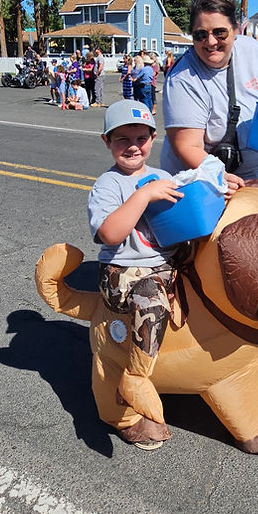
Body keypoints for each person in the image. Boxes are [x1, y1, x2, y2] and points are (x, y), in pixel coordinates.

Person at [87, 100, 184, 449]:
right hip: (124, 272)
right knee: (151, 300)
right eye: (121, 138)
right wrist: (144, 195)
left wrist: (220, 187)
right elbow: (111, 234)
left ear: (153, 138)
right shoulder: (108, 185)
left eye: (141, 137)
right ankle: (135, 378)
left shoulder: (164, 177)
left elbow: (188, 218)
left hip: (166, 265)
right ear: (106, 141)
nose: (132, 145)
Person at [160, 0, 258, 195]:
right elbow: (187, 146)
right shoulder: (182, 78)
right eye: (201, 35)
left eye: (220, 32)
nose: (210, 42)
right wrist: (219, 177)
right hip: (205, 179)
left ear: (236, 29)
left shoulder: (254, 50)